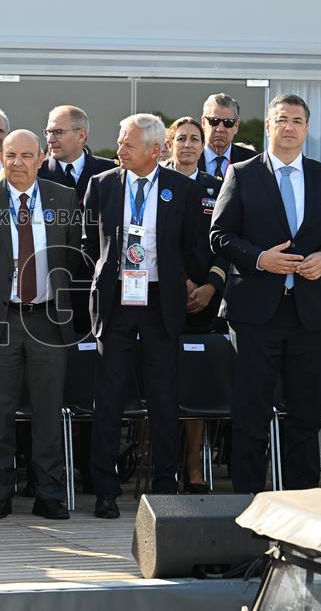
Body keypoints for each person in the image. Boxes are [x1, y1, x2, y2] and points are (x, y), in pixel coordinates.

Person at [210, 93, 321, 494]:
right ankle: (247, 502)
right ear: (269, 127)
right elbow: (219, 236)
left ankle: (303, 500)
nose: (289, 126)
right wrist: (260, 259)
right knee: (250, 414)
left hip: (311, 313)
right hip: (255, 313)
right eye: (281, 119)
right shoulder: (242, 173)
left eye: (297, 120)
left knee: (307, 417)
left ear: (306, 129)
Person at [83, 114, 201, 518]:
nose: (119, 151)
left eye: (127, 145)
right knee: (109, 398)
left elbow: (192, 246)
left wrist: (189, 282)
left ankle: (165, 486)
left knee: (163, 399)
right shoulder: (102, 185)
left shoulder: (181, 189)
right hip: (116, 302)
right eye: (119, 142)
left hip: (159, 302)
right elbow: (88, 240)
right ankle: (104, 490)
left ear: (155, 150)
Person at [0, 129, 80, 520]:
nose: (17, 162)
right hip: (2, 319)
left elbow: (74, 258)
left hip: (48, 319)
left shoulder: (63, 198)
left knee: (49, 411)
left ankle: (48, 493)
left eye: (26, 155)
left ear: (41, 157)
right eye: (9, 154)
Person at [165, 116, 229, 493]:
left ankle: (193, 468)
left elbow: (228, 241)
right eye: (182, 138)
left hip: (206, 301)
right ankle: (163, 465)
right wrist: (182, 282)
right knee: (163, 385)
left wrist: (210, 285)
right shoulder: (159, 184)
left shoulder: (217, 188)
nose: (188, 145)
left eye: (195, 139)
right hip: (164, 298)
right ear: (170, 143)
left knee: (196, 387)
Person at [39, 105, 115, 338]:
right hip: (51, 289)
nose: (51, 139)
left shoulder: (108, 172)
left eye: (58, 132)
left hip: (97, 285)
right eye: (48, 132)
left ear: (82, 134)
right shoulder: (38, 174)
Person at [198, 93, 257, 179]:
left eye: (228, 122)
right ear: (203, 123)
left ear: (236, 125)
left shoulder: (251, 161)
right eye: (214, 121)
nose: (220, 129)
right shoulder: (190, 157)